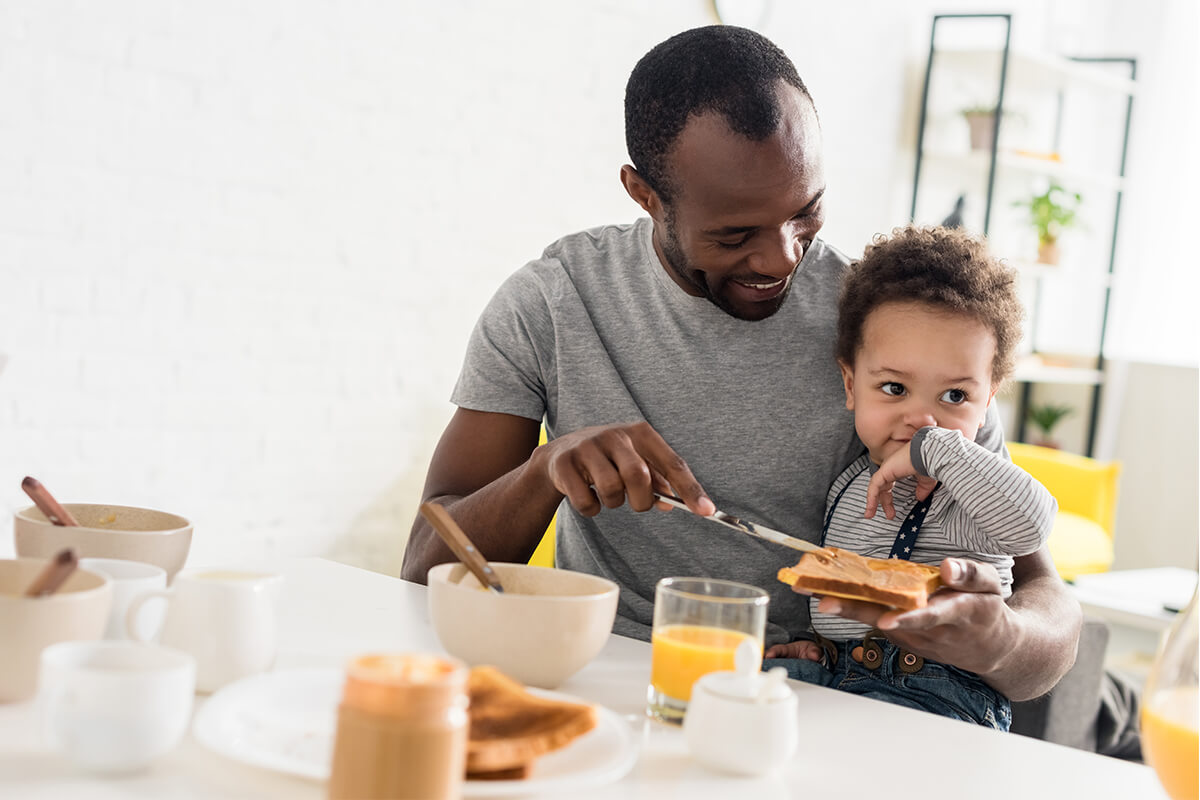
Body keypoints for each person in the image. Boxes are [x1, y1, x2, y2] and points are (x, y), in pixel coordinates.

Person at [401, 24, 1081, 704]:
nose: (783, 257)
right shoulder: (554, 302)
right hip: (612, 681)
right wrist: (543, 471)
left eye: (806, 212)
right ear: (644, 194)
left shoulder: (890, 327)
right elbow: (423, 571)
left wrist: (998, 640)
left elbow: (1046, 618)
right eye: (734, 234)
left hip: (816, 696)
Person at [762, 225, 1056, 728]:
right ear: (850, 385)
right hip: (842, 672)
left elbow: (1033, 525)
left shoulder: (971, 489)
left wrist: (939, 449)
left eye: (955, 397)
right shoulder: (848, 484)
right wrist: (818, 646)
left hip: (942, 692)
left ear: (988, 400)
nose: (922, 419)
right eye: (894, 388)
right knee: (742, 687)